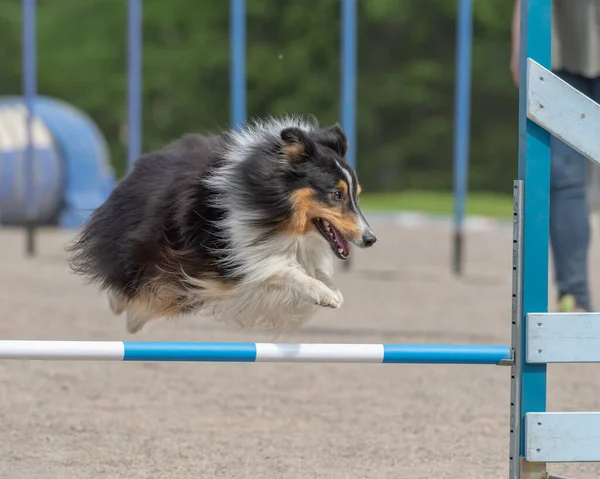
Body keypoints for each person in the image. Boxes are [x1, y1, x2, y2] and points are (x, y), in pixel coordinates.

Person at [510, 0, 598, 312]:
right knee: (563, 177)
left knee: (566, 180)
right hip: (561, 44)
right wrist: (520, 42)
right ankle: (574, 296)